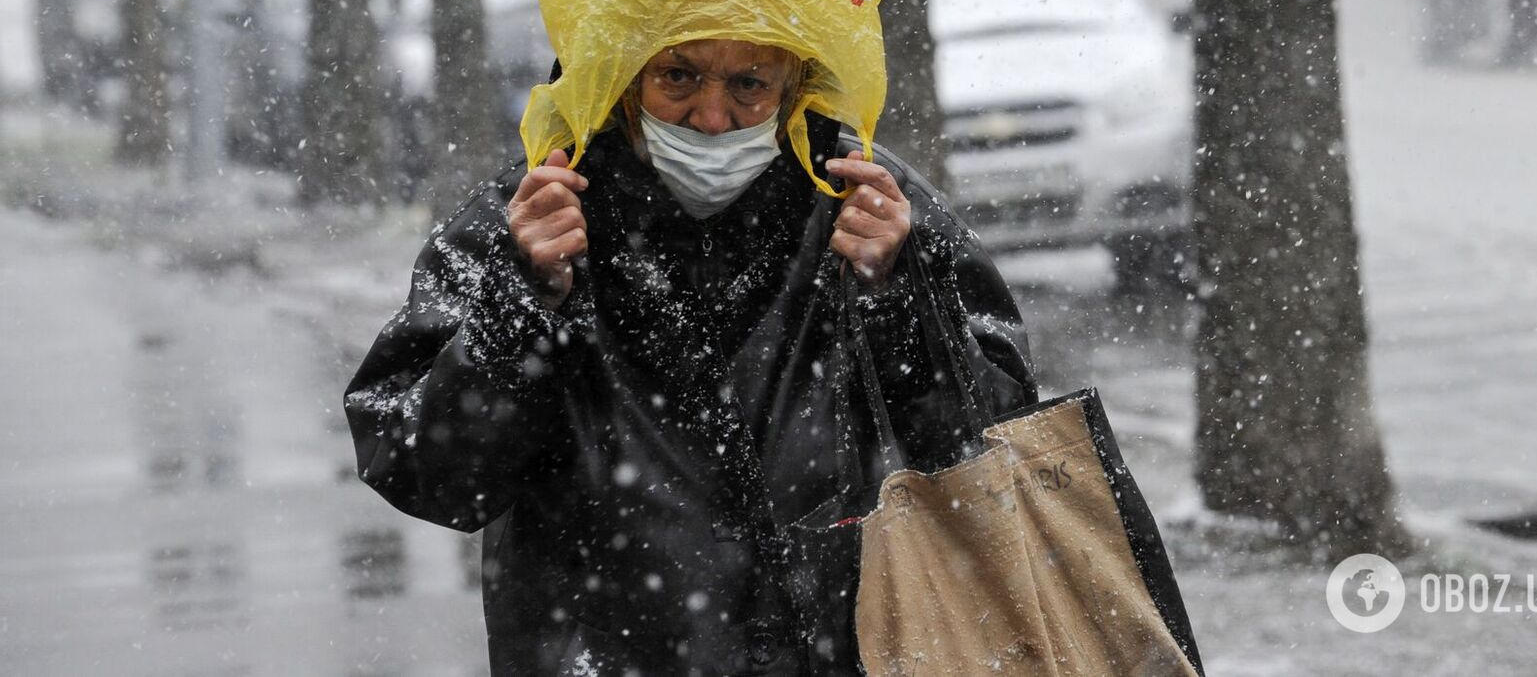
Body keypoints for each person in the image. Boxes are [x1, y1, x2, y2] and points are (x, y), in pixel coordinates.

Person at [344, 36, 1039, 675]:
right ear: (621, 78)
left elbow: (992, 458)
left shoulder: (873, 206)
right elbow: (424, 471)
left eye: (749, 84)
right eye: (678, 76)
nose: (711, 117)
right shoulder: (530, 213)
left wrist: (896, 296)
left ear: (796, 83)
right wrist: (520, 303)